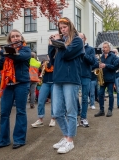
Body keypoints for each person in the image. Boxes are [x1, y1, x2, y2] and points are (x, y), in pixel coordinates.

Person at [0, 29, 31, 149]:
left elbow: (18, 58)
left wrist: (3, 52)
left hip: (21, 84)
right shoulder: (6, 53)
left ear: (21, 38)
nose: (15, 38)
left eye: (17, 36)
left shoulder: (26, 49)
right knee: (4, 113)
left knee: (20, 111)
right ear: (10, 40)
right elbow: (0, 66)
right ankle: (3, 140)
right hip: (8, 85)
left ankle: (19, 139)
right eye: (13, 37)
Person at [49, 17, 84, 154]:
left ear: (70, 26)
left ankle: (70, 141)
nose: (62, 30)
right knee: (57, 112)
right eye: (60, 28)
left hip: (70, 79)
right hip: (57, 79)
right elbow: (52, 60)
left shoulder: (77, 40)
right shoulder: (61, 41)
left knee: (71, 111)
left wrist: (58, 43)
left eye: (65, 27)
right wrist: (52, 44)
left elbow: (67, 55)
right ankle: (65, 136)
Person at [94, 41, 118, 117]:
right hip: (103, 79)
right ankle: (101, 110)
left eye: (105, 47)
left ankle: (110, 110)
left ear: (109, 48)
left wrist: (106, 65)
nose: (103, 49)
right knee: (100, 94)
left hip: (110, 78)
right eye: (103, 47)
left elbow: (115, 67)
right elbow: (99, 67)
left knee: (110, 94)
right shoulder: (101, 57)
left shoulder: (113, 56)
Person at [77, 33, 96, 127]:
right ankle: (76, 117)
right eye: (78, 38)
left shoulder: (90, 49)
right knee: (74, 97)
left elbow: (93, 61)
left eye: (81, 38)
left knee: (85, 98)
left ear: (85, 38)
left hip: (86, 75)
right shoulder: (74, 47)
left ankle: (83, 118)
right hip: (75, 76)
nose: (80, 40)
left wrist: (84, 53)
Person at [31, 57, 56, 128]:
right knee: (41, 100)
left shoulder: (55, 60)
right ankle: (40, 119)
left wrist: (50, 63)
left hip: (54, 83)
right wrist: (42, 66)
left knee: (54, 102)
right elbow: (39, 71)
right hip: (45, 83)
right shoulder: (44, 62)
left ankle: (53, 119)